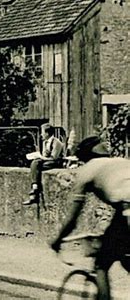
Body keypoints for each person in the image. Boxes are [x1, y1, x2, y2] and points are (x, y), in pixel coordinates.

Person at [50, 135, 130, 300]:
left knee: (101, 262)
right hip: (124, 211)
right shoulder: (121, 161)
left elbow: (73, 217)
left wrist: (58, 239)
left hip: (127, 209)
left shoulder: (86, 171)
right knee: (123, 255)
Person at [23, 123, 64, 205]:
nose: (41, 134)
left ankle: (35, 190)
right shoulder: (45, 142)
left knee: (35, 165)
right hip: (47, 161)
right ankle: (35, 189)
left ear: (47, 133)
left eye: (42, 132)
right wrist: (39, 156)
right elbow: (45, 156)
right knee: (35, 163)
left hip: (56, 162)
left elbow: (54, 158)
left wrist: (41, 157)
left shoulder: (57, 143)